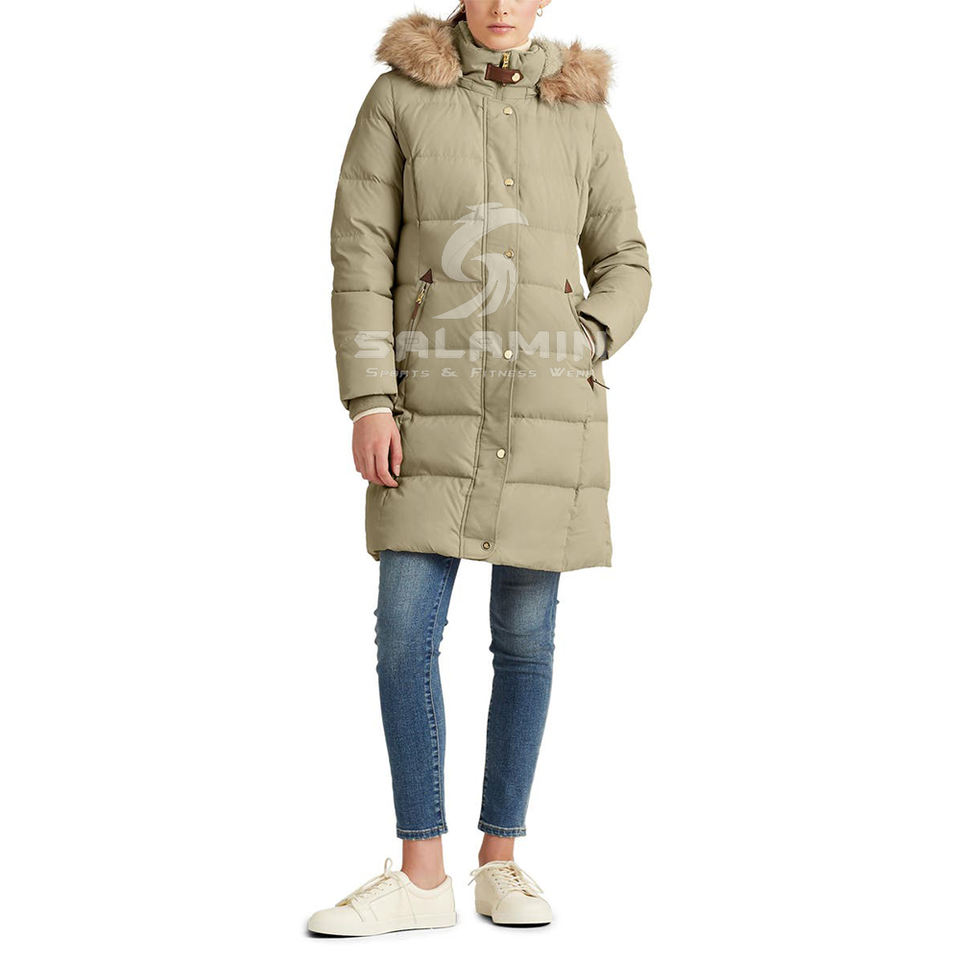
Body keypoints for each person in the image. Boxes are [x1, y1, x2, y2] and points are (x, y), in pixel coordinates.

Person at [309, 0, 651, 936]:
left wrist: (587, 335)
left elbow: (626, 258)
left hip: (545, 411)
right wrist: (369, 398)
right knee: (405, 633)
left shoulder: (581, 110)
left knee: (526, 640)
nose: (502, 5)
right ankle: (423, 874)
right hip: (429, 403)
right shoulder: (400, 98)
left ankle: (501, 861)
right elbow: (360, 253)